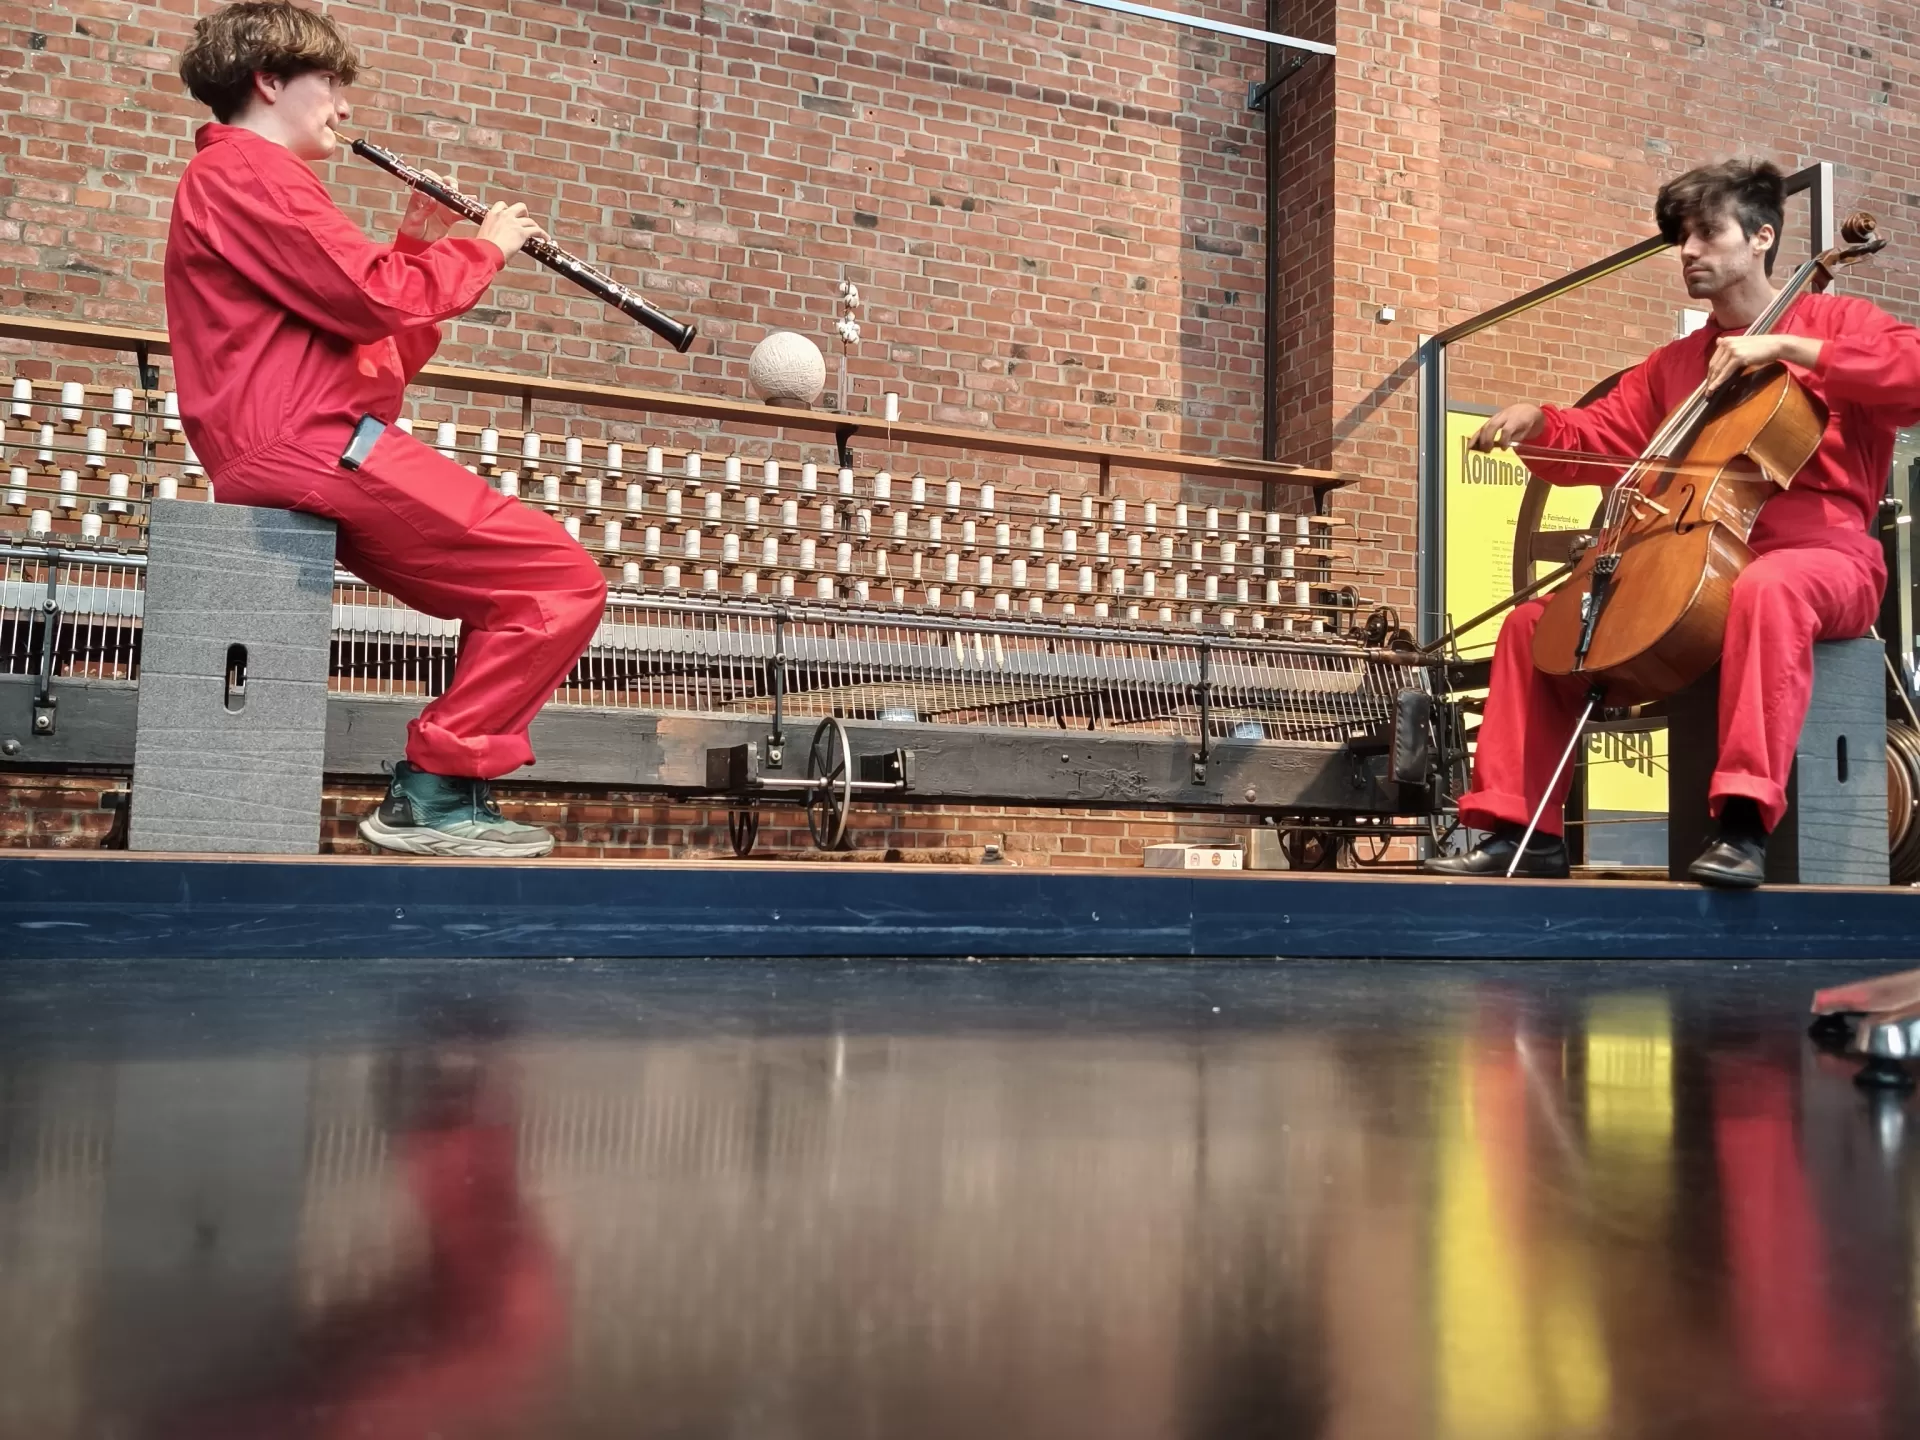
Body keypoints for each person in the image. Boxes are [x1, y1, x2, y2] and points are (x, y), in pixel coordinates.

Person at [166, 2, 608, 858]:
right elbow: (372, 295)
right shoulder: (247, 173)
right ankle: (434, 790)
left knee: (535, 589)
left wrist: (415, 244)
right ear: (268, 81)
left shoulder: (249, 184)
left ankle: (443, 789)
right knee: (557, 579)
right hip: (306, 441)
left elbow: (377, 352)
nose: (341, 107)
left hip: (313, 435)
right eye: (329, 83)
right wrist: (481, 250)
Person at [1426, 159, 1920, 888]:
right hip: (1696, 561)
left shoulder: (1835, 321)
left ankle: (1746, 823)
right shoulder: (1674, 365)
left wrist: (1784, 347)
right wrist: (1540, 425)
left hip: (1826, 558)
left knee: (1770, 586)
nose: (1688, 252)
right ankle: (1520, 833)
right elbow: (1601, 438)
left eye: (1705, 233)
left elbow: (1911, 373)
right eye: (1680, 238)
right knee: (1534, 627)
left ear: (1760, 237)